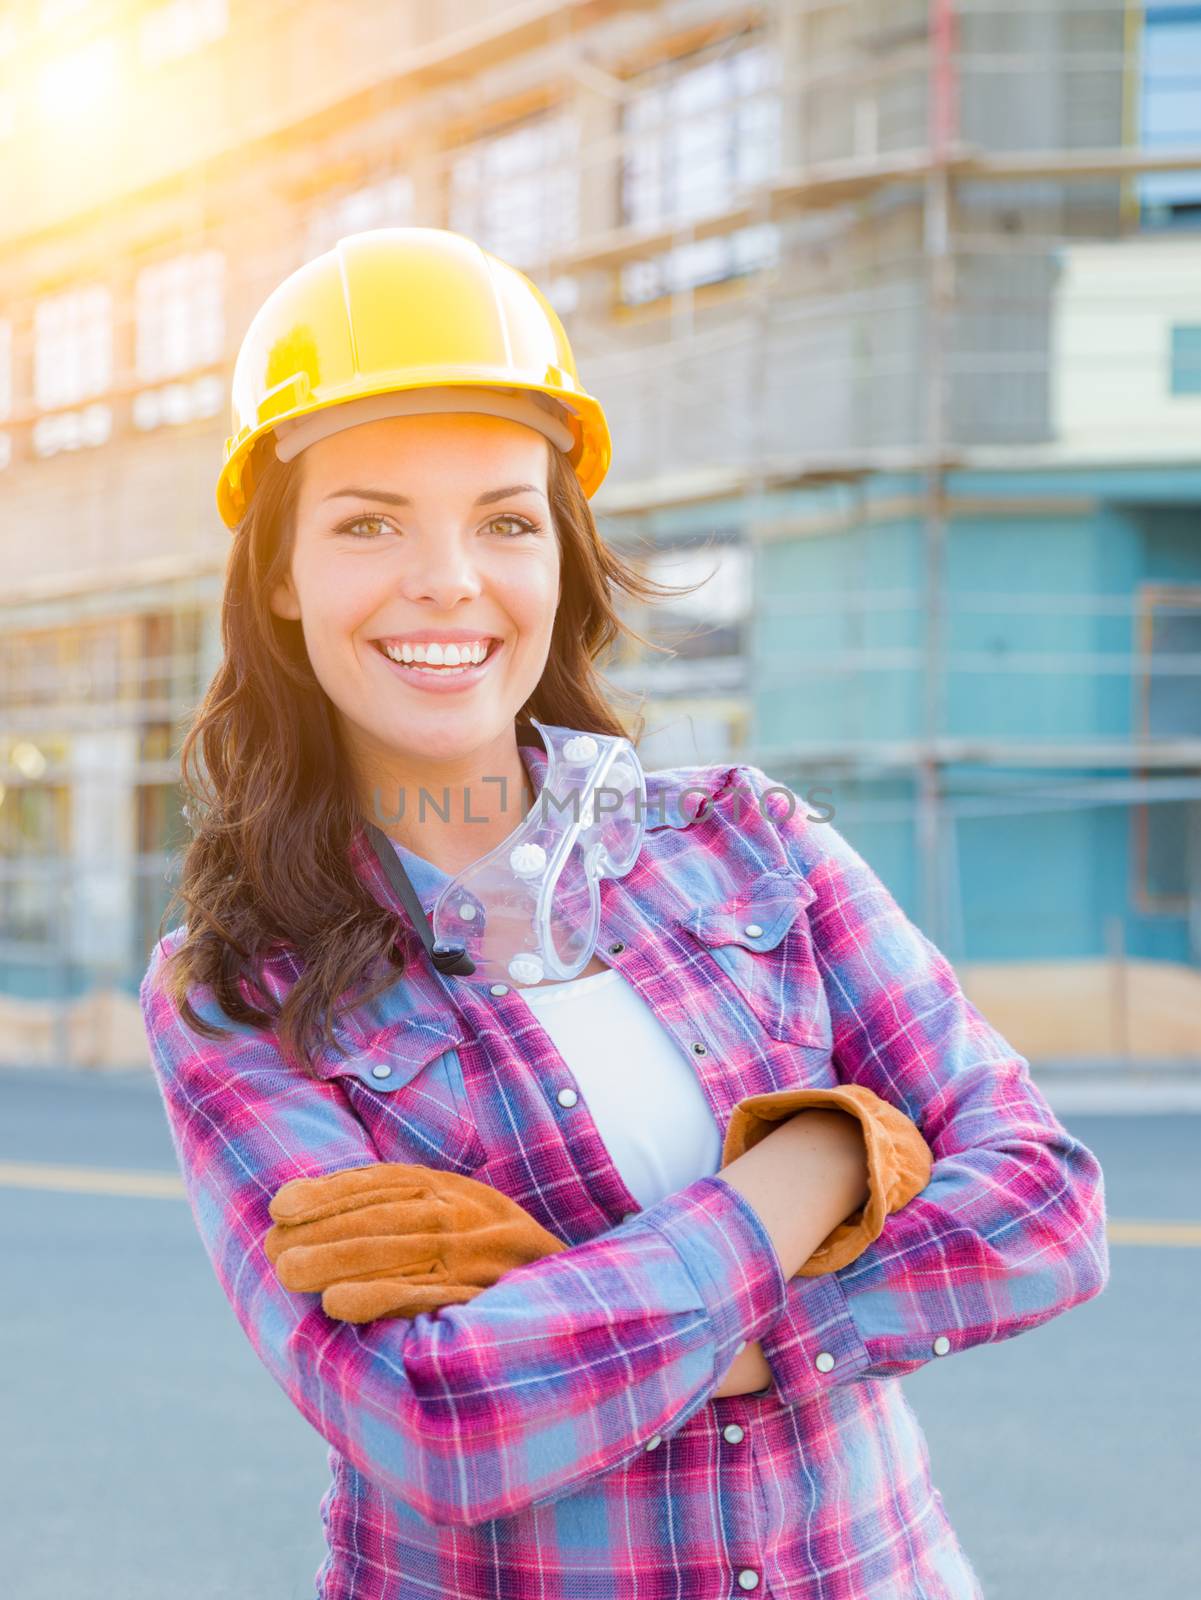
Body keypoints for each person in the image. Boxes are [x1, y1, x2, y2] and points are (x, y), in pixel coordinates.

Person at [139, 227, 1110, 1599]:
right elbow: (444, 1429)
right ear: (282, 577)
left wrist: (657, 1323)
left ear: (557, 555)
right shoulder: (234, 990)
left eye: (503, 519)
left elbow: (1043, 1207)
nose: (445, 580)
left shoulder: (749, 845)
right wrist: (814, 1168)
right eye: (368, 521)